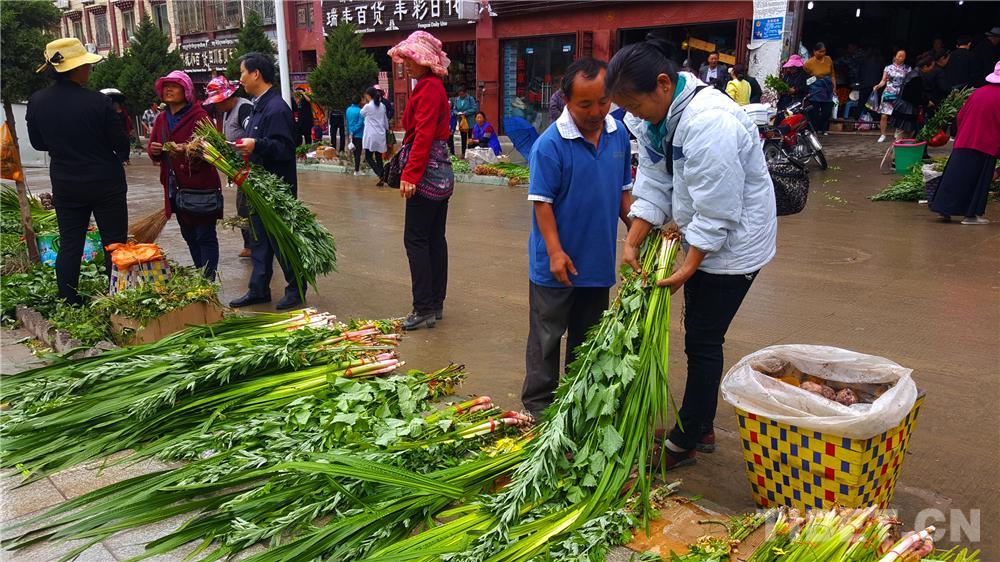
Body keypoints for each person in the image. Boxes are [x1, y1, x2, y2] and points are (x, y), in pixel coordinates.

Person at [607, 35, 776, 468]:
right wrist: (632, 240)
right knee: (699, 335)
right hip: (702, 234)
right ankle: (699, 424)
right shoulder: (655, 120)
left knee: (702, 340)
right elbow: (654, 181)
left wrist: (687, 267)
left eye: (635, 105)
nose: (633, 115)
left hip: (734, 247)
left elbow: (716, 209)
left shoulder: (709, 123)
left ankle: (685, 442)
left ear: (663, 84)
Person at [520, 57, 633, 421]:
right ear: (566, 100)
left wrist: (639, 231)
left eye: (603, 101)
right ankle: (539, 405)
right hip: (556, 264)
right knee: (547, 336)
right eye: (585, 104)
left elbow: (623, 193)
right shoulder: (550, 145)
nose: (596, 112)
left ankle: (576, 402)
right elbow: (542, 204)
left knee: (587, 339)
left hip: (596, 262)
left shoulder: (618, 135)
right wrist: (555, 251)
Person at [26, 37, 129, 304]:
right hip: (105, 182)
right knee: (114, 243)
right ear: (76, 68)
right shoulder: (99, 102)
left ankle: (69, 301)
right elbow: (119, 142)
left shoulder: (37, 101)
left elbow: (38, 143)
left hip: (66, 183)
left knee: (71, 243)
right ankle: (118, 299)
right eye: (86, 65)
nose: (89, 69)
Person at [387, 31, 455, 331]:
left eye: (412, 59)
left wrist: (410, 175)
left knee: (415, 240)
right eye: (406, 59)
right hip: (441, 171)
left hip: (426, 171)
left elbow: (424, 134)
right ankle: (435, 303)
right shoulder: (434, 86)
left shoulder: (427, 88)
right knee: (434, 239)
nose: (407, 64)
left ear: (426, 61)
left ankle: (423, 307)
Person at [229, 52, 302, 310]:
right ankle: (258, 290)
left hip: (276, 188)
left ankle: (296, 290)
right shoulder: (258, 105)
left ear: (256, 74)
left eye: (242, 73)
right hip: (258, 186)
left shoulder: (276, 108)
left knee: (281, 241)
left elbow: (285, 148)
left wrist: (256, 144)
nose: (240, 79)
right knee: (259, 240)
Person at [147, 70, 222, 280]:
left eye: (174, 86)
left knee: (205, 235)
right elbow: (154, 149)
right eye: (166, 86)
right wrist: (154, 150)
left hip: (200, 186)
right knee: (189, 235)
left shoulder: (200, 116)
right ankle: (201, 276)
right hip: (175, 187)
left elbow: (213, 148)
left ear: (187, 91)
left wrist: (187, 149)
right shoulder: (162, 118)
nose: (168, 90)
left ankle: (208, 280)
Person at [930, 62, 1000, 225]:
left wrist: (962, 134)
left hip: (964, 140)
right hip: (986, 143)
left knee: (955, 174)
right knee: (978, 180)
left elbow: (960, 116)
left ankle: (943, 209)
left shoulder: (978, 92)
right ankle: (971, 215)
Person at [202, 75, 253, 258]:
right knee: (242, 206)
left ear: (228, 97)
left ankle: (253, 245)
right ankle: (251, 244)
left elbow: (252, 135)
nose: (216, 106)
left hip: (250, 168)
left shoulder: (244, 108)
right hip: (240, 169)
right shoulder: (226, 112)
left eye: (218, 102)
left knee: (245, 207)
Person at [874, 50, 910, 143]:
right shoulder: (888, 68)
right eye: (899, 55)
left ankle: (898, 133)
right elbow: (883, 80)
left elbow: (909, 82)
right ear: (895, 56)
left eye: (903, 56)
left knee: (899, 114)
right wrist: (878, 86)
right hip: (889, 92)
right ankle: (883, 134)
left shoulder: (907, 68)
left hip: (901, 93)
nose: (901, 57)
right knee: (884, 114)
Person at [804, 42, 836, 135]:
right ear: (814, 51)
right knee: (815, 111)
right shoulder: (808, 63)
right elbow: (806, 79)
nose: (822, 53)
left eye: (824, 51)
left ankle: (823, 129)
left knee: (827, 110)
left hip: (827, 88)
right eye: (820, 51)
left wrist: (834, 87)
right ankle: (815, 130)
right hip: (815, 88)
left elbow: (832, 74)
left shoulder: (828, 59)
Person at [361, 86, 389, 186]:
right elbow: (385, 121)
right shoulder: (382, 106)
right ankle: (382, 178)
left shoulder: (368, 106)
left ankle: (381, 174)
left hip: (371, 135)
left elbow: (361, 113)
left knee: (368, 157)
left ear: (368, 96)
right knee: (378, 157)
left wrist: (365, 103)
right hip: (380, 134)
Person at [451, 86, 478, 157]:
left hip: (470, 122)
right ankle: (463, 153)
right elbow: (454, 109)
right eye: (459, 94)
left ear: (465, 93)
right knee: (463, 138)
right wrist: (457, 113)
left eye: (462, 94)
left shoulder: (470, 99)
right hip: (462, 122)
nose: (461, 95)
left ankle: (470, 153)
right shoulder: (457, 100)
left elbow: (474, 108)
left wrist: (465, 113)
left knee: (470, 138)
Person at [346, 93, 365, 175]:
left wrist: (351, 131)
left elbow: (347, 122)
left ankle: (356, 169)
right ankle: (356, 170)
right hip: (359, 134)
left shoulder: (348, 109)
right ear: (359, 102)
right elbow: (360, 123)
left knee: (354, 152)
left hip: (351, 134)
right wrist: (354, 130)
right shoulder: (360, 111)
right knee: (358, 153)